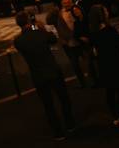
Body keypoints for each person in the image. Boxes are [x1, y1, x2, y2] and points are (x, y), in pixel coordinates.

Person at [13, 11, 74, 140]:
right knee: (63, 98)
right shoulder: (39, 33)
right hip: (53, 70)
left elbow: (25, 36)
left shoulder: (18, 41)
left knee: (48, 105)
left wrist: (30, 28)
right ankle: (70, 124)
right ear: (29, 21)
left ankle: (58, 132)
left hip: (38, 75)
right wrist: (36, 26)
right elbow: (52, 38)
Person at [87, 4, 119, 130]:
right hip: (116, 64)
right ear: (101, 15)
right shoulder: (109, 31)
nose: (107, 12)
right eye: (105, 11)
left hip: (104, 65)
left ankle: (116, 117)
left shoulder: (93, 32)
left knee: (110, 91)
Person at [48, 0, 97, 88]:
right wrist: (53, 10)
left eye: (68, 2)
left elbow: (84, 22)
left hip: (81, 41)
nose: (67, 5)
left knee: (89, 62)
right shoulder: (59, 14)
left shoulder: (77, 9)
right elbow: (48, 20)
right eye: (64, 3)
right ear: (61, 4)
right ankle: (83, 83)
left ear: (72, 2)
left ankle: (94, 80)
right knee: (75, 65)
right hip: (69, 44)